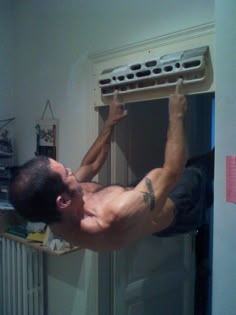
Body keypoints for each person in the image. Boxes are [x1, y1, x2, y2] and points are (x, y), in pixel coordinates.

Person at [9, 83, 214, 252]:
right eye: (66, 173)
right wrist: (176, 114)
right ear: (62, 201)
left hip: (142, 198)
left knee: (198, 163)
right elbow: (171, 171)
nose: (71, 171)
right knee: (209, 167)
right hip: (181, 204)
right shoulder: (112, 216)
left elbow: (89, 164)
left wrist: (110, 122)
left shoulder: (54, 210)